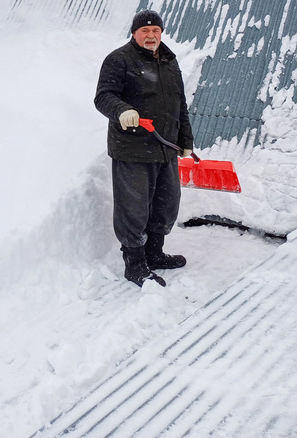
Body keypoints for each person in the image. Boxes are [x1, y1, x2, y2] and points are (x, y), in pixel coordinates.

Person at [94, 10, 194, 287]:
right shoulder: (119, 60)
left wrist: (185, 140)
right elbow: (104, 97)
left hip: (165, 148)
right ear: (134, 33)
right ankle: (135, 264)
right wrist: (122, 109)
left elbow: (179, 105)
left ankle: (154, 253)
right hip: (133, 149)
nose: (151, 36)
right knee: (134, 208)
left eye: (156, 31)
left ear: (161, 33)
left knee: (166, 204)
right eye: (145, 31)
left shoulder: (169, 61)